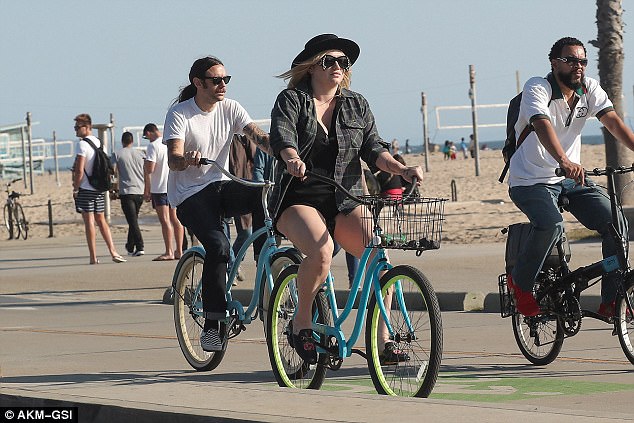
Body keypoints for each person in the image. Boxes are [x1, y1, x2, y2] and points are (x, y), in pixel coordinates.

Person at [269, 34, 424, 364]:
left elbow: (374, 149)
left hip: (346, 197)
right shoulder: (291, 100)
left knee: (376, 257)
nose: (338, 66)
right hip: (299, 196)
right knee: (321, 252)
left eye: (343, 62)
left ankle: (381, 342)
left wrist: (402, 168)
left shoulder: (356, 104)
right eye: (330, 61)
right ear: (312, 67)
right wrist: (292, 158)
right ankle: (303, 323)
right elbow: (282, 137)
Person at [507, 36, 634, 318]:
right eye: (571, 60)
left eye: (583, 61)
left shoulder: (589, 90)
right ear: (554, 63)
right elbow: (541, 124)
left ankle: (612, 300)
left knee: (617, 225)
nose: (579, 66)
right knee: (552, 225)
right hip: (531, 180)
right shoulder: (536, 88)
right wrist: (564, 160)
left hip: (569, 180)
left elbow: (613, 122)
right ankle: (522, 284)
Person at [163, 56, 271, 352]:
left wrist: (286, 151)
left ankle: (267, 261)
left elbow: (258, 136)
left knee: (264, 194)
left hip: (220, 186)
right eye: (216, 80)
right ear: (198, 83)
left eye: (226, 79)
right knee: (219, 247)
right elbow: (172, 160)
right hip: (190, 195)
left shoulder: (231, 108)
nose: (222, 85)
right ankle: (212, 324)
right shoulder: (180, 114)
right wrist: (186, 159)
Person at [71, 113, 126, 264]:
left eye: (77, 127)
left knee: (89, 222)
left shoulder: (82, 145)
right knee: (101, 220)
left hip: (86, 188)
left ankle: (93, 257)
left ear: (87, 127)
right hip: (99, 188)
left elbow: (80, 170)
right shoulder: (99, 142)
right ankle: (113, 251)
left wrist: (76, 188)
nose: (75, 130)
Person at [143, 123, 185, 261]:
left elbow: (150, 168)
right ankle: (179, 250)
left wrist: (145, 164)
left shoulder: (153, 146)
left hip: (159, 187)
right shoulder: (168, 143)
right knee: (175, 218)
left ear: (149, 133)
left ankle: (169, 251)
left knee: (165, 220)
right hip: (172, 185)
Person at [112, 131, 145, 256]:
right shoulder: (140, 153)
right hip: (140, 190)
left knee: (132, 221)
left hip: (127, 191)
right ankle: (130, 245)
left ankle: (140, 245)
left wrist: (113, 189)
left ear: (122, 141)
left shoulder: (117, 154)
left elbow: (113, 173)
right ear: (132, 141)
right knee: (133, 219)